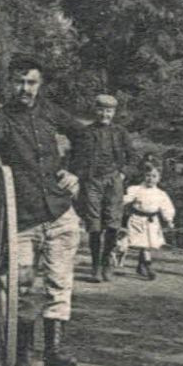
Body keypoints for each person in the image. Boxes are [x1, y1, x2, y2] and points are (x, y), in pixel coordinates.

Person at [0, 54, 84, 366]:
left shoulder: (50, 112)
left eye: (31, 82)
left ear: (40, 83)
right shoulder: (3, 118)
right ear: (9, 83)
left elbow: (84, 135)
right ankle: (22, 350)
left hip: (60, 214)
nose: (25, 89)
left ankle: (55, 351)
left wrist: (75, 173)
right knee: (22, 285)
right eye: (19, 82)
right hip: (23, 220)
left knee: (59, 283)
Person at [65, 94, 132, 283]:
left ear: (114, 112)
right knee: (94, 225)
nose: (105, 114)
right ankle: (95, 266)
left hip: (114, 180)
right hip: (92, 181)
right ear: (95, 110)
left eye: (109, 111)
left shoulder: (120, 133)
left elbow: (132, 157)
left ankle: (106, 264)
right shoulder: (85, 132)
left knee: (112, 224)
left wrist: (123, 173)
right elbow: (75, 158)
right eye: (101, 110)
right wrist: (78, 177)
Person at [121, 165, 177, 279]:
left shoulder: (161, 194)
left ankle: (141, 266)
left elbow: (166, 207)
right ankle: (148, 265)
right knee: (143, 245)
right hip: (137, 220)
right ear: (143, 176)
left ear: (159, 178)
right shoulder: (136, 189)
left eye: (154, 176)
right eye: (148, 175)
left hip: (152, 221)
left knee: (148, 244)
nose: (150, 179)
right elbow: (125, 200)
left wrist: (169, 219)